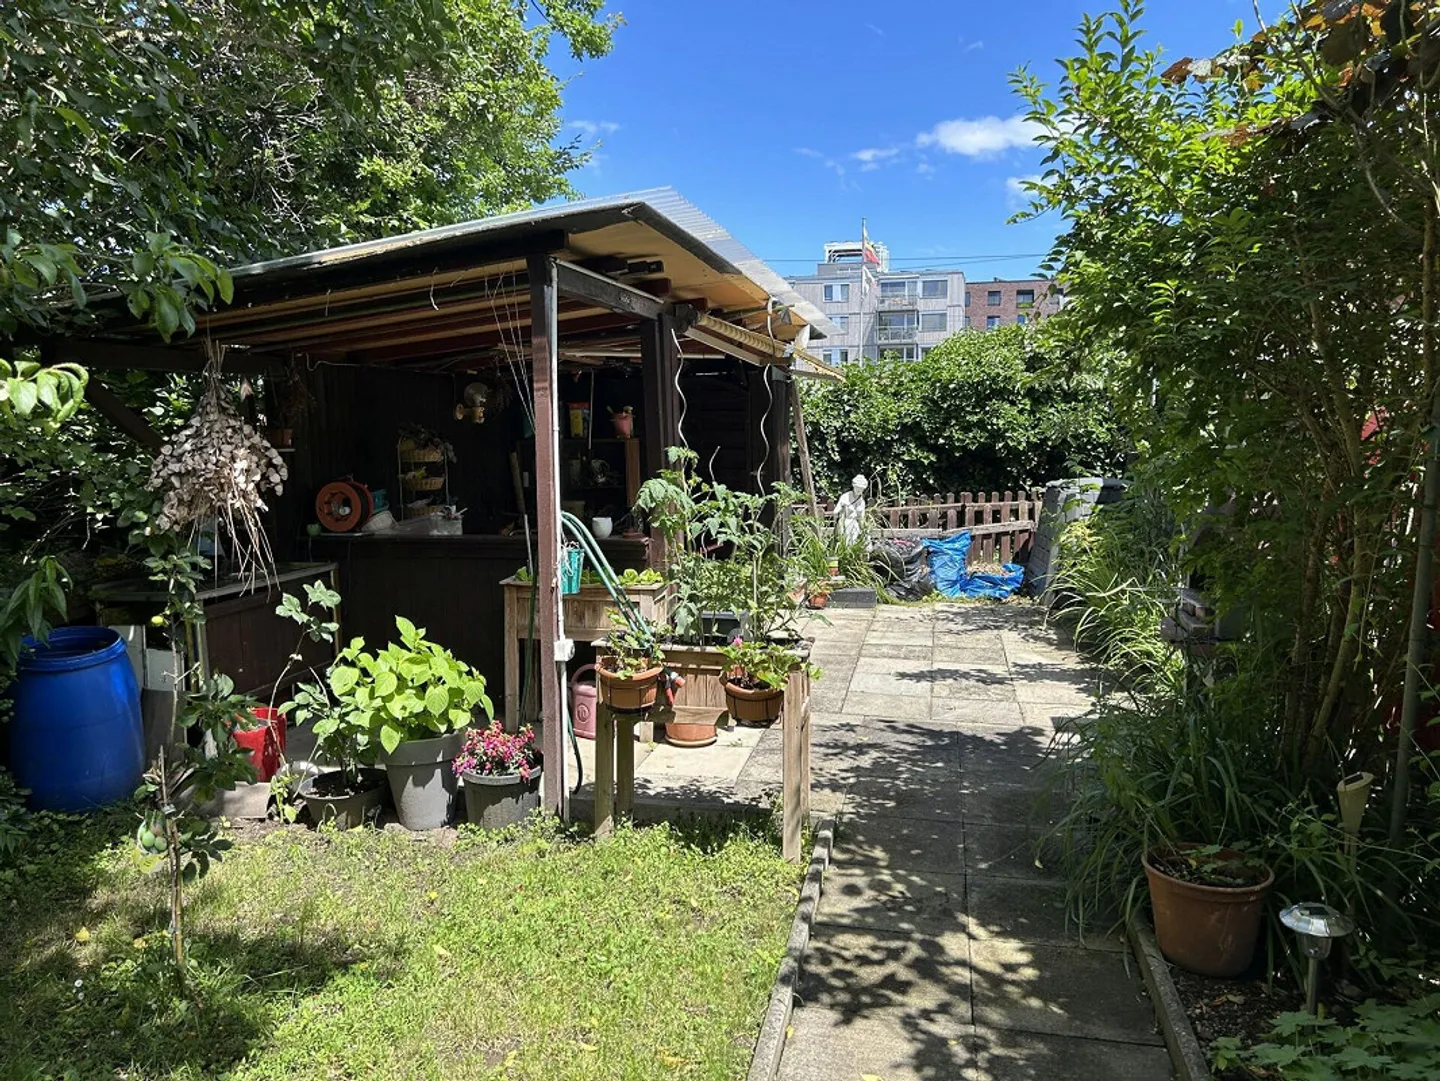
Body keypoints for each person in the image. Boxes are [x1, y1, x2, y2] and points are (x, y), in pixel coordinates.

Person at [834, 474, 868, 545]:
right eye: (857, 488)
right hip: (846, 523)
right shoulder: (845, 497)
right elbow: (836, 511)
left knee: (854, 543)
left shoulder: (862, 501)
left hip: (855, 524)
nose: (859, 490)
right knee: (846, 543)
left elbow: (861, 518)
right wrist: (839, 511)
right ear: (853, 486)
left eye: (861, 489)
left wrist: (864, 529)